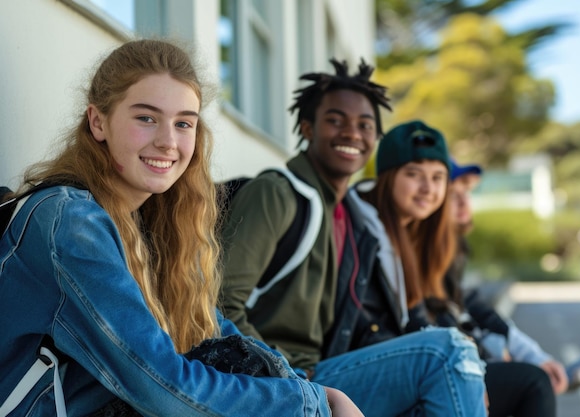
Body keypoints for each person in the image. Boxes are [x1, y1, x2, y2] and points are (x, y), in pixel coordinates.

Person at [0, 39, 360, 417]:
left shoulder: (149, 223)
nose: (168, 141)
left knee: (241, 363)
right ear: (98, 122)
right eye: (146, 118)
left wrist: (307, 388)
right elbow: (160, 386)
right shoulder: (70, 223)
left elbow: (214, 328)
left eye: (183, 123)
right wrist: (310, 403)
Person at [220, 59, 488, 416]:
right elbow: (220, 304)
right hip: (274, 380)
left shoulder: (348, 215)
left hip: (318, 372)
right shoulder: (278, 193)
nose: (352, 133)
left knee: (458, 367)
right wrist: (290, 376)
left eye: (365, 125)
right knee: (447, 352)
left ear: (375, 140)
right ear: (307, 127)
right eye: (335, 120)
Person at [351, 120, 557, 417]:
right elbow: (375, 326)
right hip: (361, 368)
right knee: (530, 383)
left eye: (438, 178)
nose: (428, 189)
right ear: (388, 177)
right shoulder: (367, 232)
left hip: (412, 360)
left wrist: (513, 352)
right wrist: (466, 368)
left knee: (526, 380)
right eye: (413, 174)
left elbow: (443, 307)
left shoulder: (416, 237)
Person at [446, 157, 580, 394]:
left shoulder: (454, 246)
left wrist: (534, 356)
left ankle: (559, 374)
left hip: (463, 353)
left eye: (467, 192)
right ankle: (563, 376)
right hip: (447, 366)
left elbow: (475, 308)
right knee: (532, 381)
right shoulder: (424, 251)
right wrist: (490, 349)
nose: (464, 202)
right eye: (453, 194)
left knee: (531, 373)